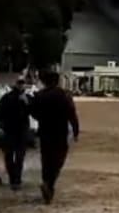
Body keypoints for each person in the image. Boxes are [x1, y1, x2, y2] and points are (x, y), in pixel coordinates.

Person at [28, 70, 80, 204]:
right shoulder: (64, 95)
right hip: (60, 133)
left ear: (44, 81)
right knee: (58, 160)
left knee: (46, 160)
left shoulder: (40, 96)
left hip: (45, 132)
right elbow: (72, 114)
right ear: (57, 81)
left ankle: (47, 182)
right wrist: (75, 131)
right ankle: (49, 184)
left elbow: (33, 114)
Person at [0, 77, 31, 190]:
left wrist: (27, 103)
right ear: (16, 84)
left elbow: (33, 111)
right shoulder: (7, 98)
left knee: (19, 157)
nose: (21, 86)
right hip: (10, 130)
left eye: (23, 83)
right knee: (10, 156)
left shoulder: (26, 98)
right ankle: (13, 178)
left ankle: (16, 179)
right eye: (20, 83)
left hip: (21, 131)